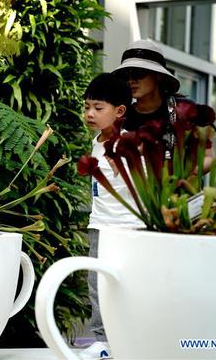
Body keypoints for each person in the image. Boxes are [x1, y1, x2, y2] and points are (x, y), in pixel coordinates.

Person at [79, 73, 145, 360]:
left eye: (98, 107)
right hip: (100, 227)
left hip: (130, 230)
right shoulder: (96, 142)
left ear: (120, 111)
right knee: (96, 285)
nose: (90, 113)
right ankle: (102, 340)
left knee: (130, 287)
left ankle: (135, 340)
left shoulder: (131, 143)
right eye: (87, 107)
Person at [112, 39, 215, 170]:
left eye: (138, 73)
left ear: (158, 75)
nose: (131, 80)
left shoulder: (185, 111)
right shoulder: (122, 117)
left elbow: (209, 157)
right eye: (126, 75)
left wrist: (186, 175)